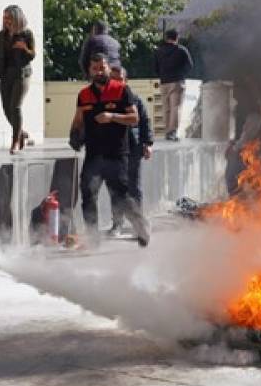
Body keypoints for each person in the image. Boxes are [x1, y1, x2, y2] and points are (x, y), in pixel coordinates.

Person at [69, 54, 150, 248]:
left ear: (108, 68)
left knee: (121, 197)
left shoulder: (122, 90)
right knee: (88, 195)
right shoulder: (84, 94)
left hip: (117, 155)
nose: (99, 71)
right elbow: (78, 119)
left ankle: (141, 229)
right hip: (93, 155)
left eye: (102, 67)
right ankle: (93, 239)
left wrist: (112, 116)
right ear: (89, 71)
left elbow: (135, 118)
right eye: (95, 68)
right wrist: (74, 135)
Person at [108, 65, 153, 235]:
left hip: (133, 149)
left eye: (119, 79)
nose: (116, 82)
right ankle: (117, 224)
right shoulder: (106, 102)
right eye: (113, 79)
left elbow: (145, 123)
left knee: (134, 188)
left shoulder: (135, 100)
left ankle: (138, 225)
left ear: (126, 81)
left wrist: (147, 143)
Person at [0, 4, 36, 154]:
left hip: (22, 74)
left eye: (9, 18)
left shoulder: (26, 34)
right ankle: (21, 132)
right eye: (5, 18)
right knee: (6, 109)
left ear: (17, 18)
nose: (6, 21)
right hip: (5, 74)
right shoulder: (1, 35)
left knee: (15, 107)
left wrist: (24, 48)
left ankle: (15, 141)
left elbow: (32, 55)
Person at [153, 29, 193, 141]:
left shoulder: (158, 51)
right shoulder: (181, 50)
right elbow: (190, 65)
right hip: (177, 82)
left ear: (166, 38)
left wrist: (162, 75)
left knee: (166, 108)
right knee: (176, 107)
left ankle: (167, 131)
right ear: (177, 38)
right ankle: (172, 131)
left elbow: (155, 68)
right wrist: (181, 74)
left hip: (163, 82)